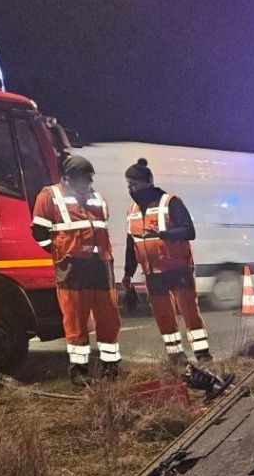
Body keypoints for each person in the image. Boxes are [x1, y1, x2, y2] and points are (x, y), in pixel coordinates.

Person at [31, 155, 121, 386]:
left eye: (90, 178)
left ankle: (111, 367)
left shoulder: (97, 197)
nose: (88, 183)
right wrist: (60, 253)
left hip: (101, 266)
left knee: (109, 318)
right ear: (68, 178)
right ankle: (79, 371)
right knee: (75, 320)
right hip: (72, 268)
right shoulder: (49, 196)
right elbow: (39, 233)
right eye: (84, 179)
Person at [121, 158, 210, 365]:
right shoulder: (131, 211)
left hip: (178, 269)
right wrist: (127, 274)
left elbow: (189, 231)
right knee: (164, 318)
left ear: (148, 183)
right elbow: (130, 245)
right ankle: (177, 358)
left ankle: (203, 355)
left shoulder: (171, 202)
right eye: (128, 184)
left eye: (134, 184)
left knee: (190, 313)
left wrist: (163, 234)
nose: (131, 188)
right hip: (152, 273)